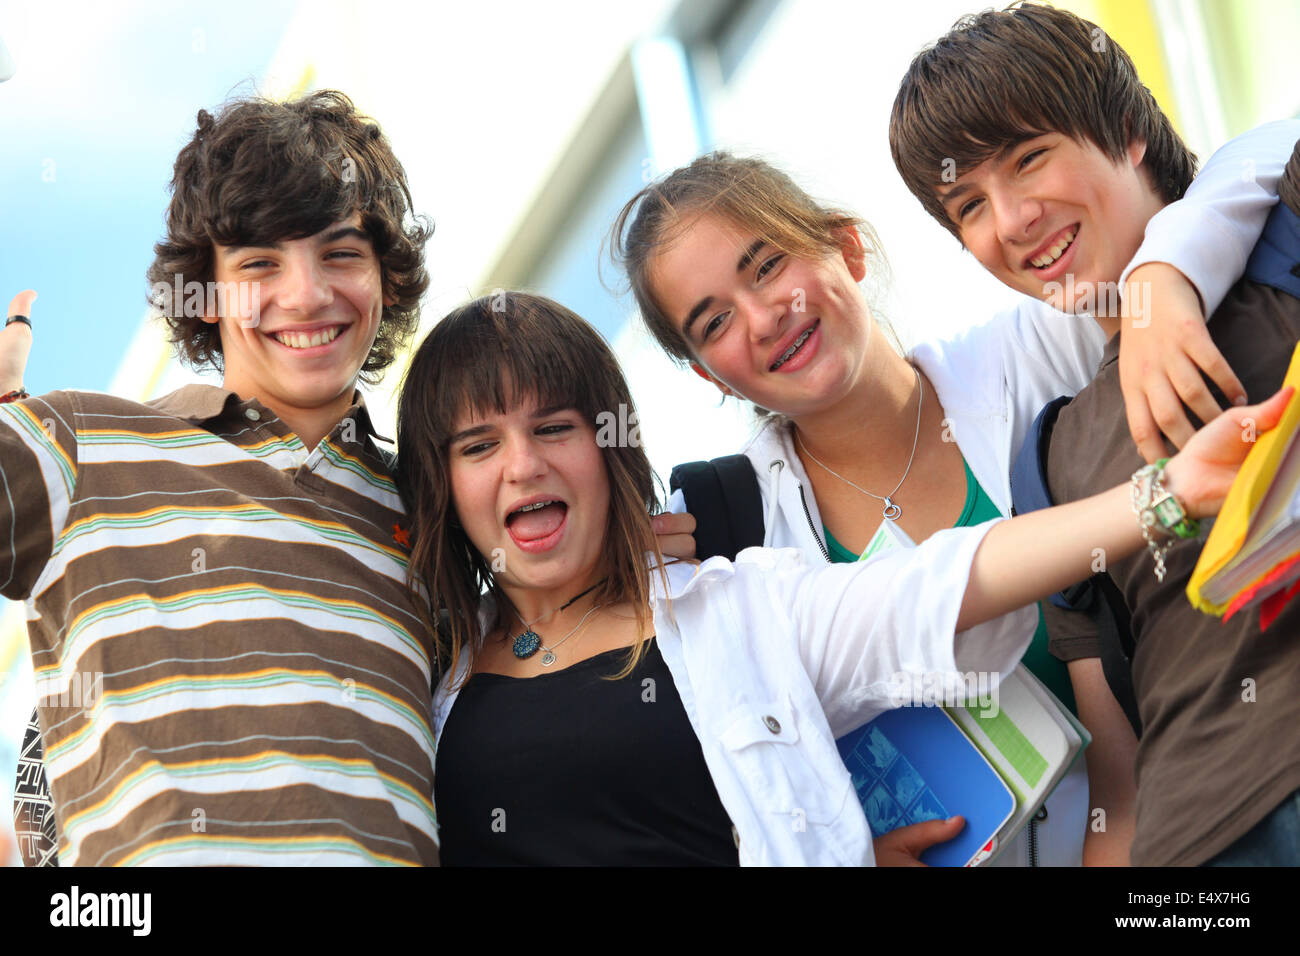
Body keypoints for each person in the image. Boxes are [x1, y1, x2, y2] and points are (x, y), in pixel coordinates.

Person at [0, 90, 699, 866]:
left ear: (386, 279)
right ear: (202, 294)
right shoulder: (77, 444)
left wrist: (623, 568)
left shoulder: (436, 508)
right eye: (259, 262)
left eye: (340, 254)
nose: (307, 294)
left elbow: (541, 650)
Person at [398, 290, 1288, 866]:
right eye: (479, 446)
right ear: (444, 484)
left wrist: (1166, 494)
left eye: (554, 428)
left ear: (611, 447)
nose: (523, 467)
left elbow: (943, 583)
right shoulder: (420, 676)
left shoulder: (737, 610)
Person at [888, 2, 1300, 865]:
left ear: (1124, 127)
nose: (1010, 222)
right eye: (969, 205)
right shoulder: (1050, 454)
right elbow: (1120, 780)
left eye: (1029, 158)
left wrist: (1165, 272)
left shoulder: (1283, 226)